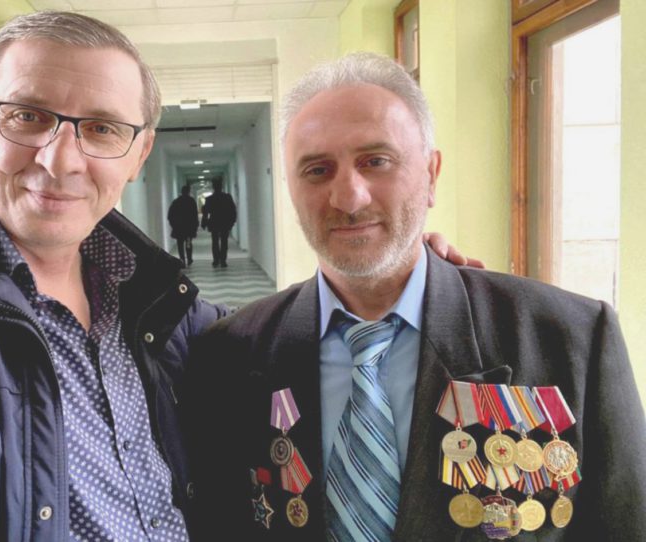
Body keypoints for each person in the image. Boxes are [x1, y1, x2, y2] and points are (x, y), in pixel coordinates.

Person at [185, 52, 646, 541]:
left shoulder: (571, 337)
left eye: (376, 161)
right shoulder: (229, 353)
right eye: (317, 170)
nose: (349, 197)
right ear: (291, 191)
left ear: (431, 174)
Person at [0, 11, 231, 541]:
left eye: (101, 128)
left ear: (139, 154)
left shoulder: (154, 298)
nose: (59, 160)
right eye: (28, 116)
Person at [200, 177, 237, 267]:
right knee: (224, 242)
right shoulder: (227, 197)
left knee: (215, 242)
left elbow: (205, 212)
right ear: (221, 187)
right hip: (225, 222)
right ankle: (223, 260)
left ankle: (216, 260)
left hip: (214, 222)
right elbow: (232, 210)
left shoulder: (209, 199)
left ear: (213, 187)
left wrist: (204, 222)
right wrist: (232, 221)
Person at [168, 185, 200, 267]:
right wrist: (195, 226)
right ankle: (189, 258)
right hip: (189, 228)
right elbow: (194, 215)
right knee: (188, 243)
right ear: (188, 192)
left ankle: (182, 259)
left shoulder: (176, 202)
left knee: (180, 244)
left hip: (179, 228)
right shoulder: (191, 201)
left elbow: (170, 215)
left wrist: (174, 225)